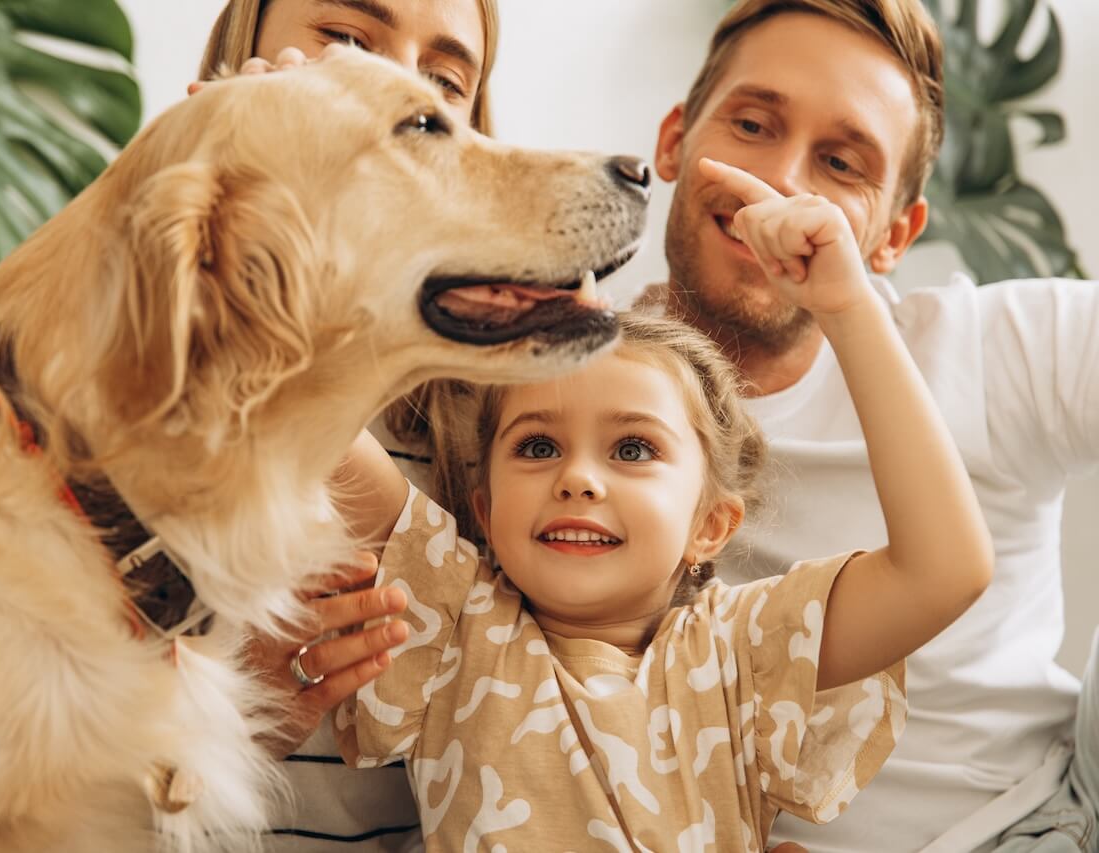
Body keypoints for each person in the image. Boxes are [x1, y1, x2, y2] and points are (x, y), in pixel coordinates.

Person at [329, 158, 992, 850]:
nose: (578, 479)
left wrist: (848, 306)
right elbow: (315, 422)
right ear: (486, 513)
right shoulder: (454, 620)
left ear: (710, 525)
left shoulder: (743, 653)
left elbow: (946, 570)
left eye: (634, 449)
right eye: (536, 447)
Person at [630, 1, 1099, 850]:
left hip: (1047, 811)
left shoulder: (999, 349)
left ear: (893, 236)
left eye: (841, 163)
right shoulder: (573, 407)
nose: (783, 180)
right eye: (751, 123)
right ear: (674, 142)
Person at [193, 2, 498, 848]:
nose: (398, 90)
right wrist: (221, 728)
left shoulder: (497, 408)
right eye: (350, 41)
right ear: (242, 54)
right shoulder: (99, 357)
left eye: (445, 79)